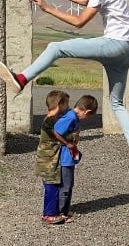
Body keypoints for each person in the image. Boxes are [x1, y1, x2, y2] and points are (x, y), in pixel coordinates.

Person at [0, 0, 129, 177]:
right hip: (128, 51)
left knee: (56, 48)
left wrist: (48, 8)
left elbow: (79, 22)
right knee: (117, 105)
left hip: (115, 44)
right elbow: (88, 1)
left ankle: (22, 79)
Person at [53, 94, 98, 222]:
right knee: (66, 185)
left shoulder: (73, 117)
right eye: (88, 116)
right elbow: (56, 131)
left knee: (68, 184)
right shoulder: (71, 117)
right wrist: (67, 143)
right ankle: (61, 212)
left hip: (69, 156)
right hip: (65, 158)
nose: (86, 119)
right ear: (87, 111)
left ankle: (65, 209)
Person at [35, 90, 70, 225]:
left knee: (54, 185)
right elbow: (61, 135)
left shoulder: (51, 119)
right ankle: (48, 214)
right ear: (59, 104)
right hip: (48, 160)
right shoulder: (50, 121)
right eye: (66, 104)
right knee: (51, 187)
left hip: (50, 159)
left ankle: (55, 211)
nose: (68, 107)